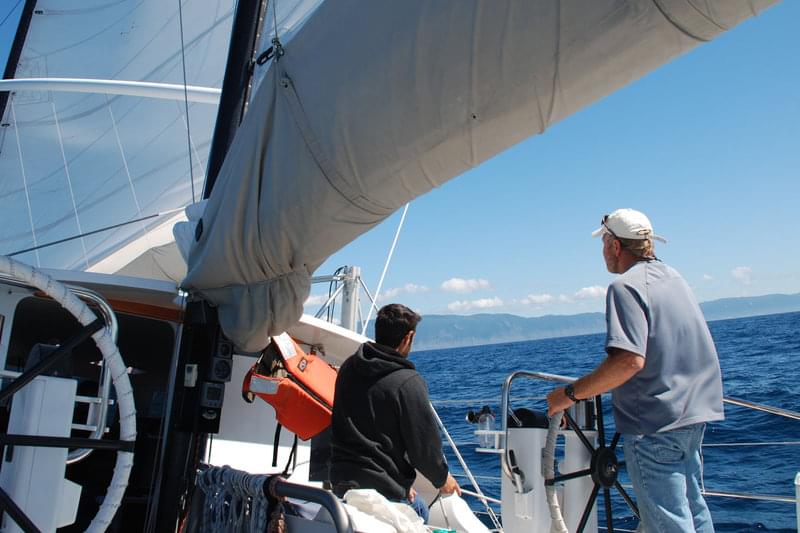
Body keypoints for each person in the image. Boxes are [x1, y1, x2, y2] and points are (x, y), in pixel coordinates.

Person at [546, 208, 724, 533]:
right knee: (695, 510)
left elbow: (628, 361)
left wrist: (568, 395)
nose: (602, 253)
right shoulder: (676, 279)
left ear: (615, 246)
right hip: (695, 417)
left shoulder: (625, 288)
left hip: (655, 426)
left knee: (668, 523)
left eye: (603, 244)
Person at [329, 303, 460, 522]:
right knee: (420, 511)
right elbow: (423, 449)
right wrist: (442, 479)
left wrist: (401, 484)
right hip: (382, 488)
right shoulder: (407, 383)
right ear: (408, 337)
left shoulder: (349, 368)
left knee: (415, 503)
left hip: (342, 483)